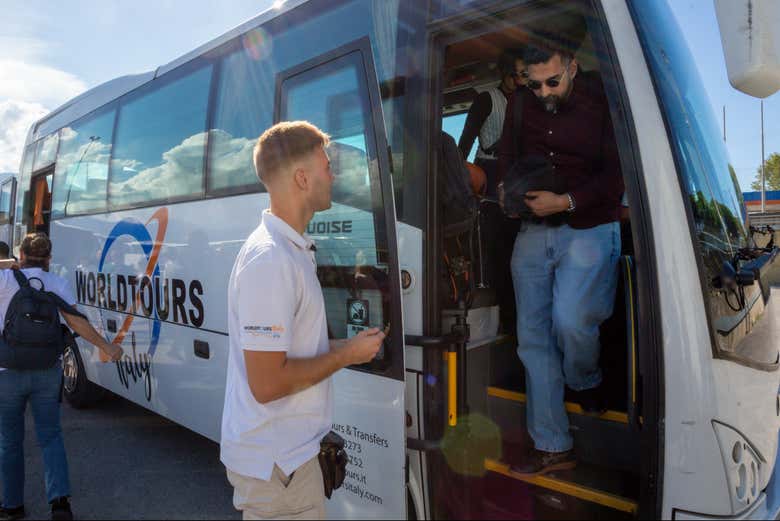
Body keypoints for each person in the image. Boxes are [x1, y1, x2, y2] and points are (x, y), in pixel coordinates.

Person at [220, 121, 385, 520]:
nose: (333, 175)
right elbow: (268, 383)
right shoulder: (271, 259)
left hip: (287, 461)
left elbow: (291, 352)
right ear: (301, 177)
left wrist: (347, 347)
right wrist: (345, 357)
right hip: (278, 467)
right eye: (326, 165)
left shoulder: (290, 250)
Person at [498, 40, 624, 475]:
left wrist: (566, 201)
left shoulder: (606, 100)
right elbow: (509, 157)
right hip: (532, 230)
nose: (545, 92)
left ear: (572, 67)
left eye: (553, 81)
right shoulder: (519, 104)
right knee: (532, 340)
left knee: (571, 320)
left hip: (588, 227)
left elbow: (618, 177)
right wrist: (506, 191)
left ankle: (585, 380)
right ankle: (553, 445)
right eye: (535, 86)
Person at [0, 233, 124, 521]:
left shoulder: (5, 281)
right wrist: (106, 346)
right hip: (47, 371)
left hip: (7, 373)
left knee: (9, 441)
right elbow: (76, 322)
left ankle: (12, 506)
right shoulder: (58, 284)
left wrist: (10, 265)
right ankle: (59, 504)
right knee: (51, 437)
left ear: (21, 253)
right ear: (49, 258)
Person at [457, 50, 527, 328]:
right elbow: (465, 143)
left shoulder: (527, 99)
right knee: (498, 252)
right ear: (503, 74)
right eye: (514, 76)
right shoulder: (487, 100)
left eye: (523, 76)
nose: (518, 81)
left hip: (521, 178)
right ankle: (504, 317)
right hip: (491, 177)